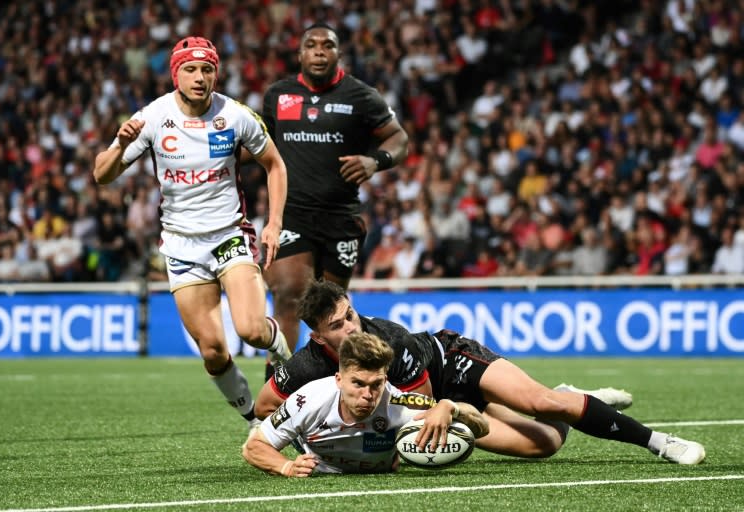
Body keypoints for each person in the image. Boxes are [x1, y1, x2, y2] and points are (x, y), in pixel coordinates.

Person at [255, 280, 706, 465]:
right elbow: (263, 408)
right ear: (317, 337)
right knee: (544, 445)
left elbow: (427, 405)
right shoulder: (309, 365)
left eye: (350, 314)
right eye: (338, 325)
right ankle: (569, 395)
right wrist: (296, 432)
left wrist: (442, 416)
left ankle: (659, 443)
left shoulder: (390, 340)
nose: (352, 326)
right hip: (434, 406)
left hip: (451, 368)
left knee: (543, 403)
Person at [93, 36, 292, 431]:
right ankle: (254, 418)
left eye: (207, 69)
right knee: (214, 352)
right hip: (182, 245)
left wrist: (274, 223)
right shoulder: (152, 117)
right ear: (176, 74)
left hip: (229, 234)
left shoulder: (235, 115)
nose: (200, 77)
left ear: (216, 72)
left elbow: (276, 165)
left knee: (252, 330)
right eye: (190, 69)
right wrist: (120, 145)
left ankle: (282, 350)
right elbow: (101, 174)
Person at [258, 23, 409, 364]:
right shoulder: (277, 96)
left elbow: (399, 139)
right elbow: (257, 145)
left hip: (341, 216)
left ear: (339, 54)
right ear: (300, 54)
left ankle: (343, 382)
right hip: (292, 212)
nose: (319, 51)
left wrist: (375, 161)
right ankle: (276, 387)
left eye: (328, 45)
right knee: (289, 295)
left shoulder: (360, 96)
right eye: (311, 45)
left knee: (334, 310)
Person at [243, 331, 489, 476]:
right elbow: (253, 447)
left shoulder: (399, 403)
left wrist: (449, 406)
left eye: (376, 384)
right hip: (321, 468)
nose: (368, 394)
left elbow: (483, 428)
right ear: (339, 380)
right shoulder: (309, 399)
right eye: (358, 384)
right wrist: (286, 467)